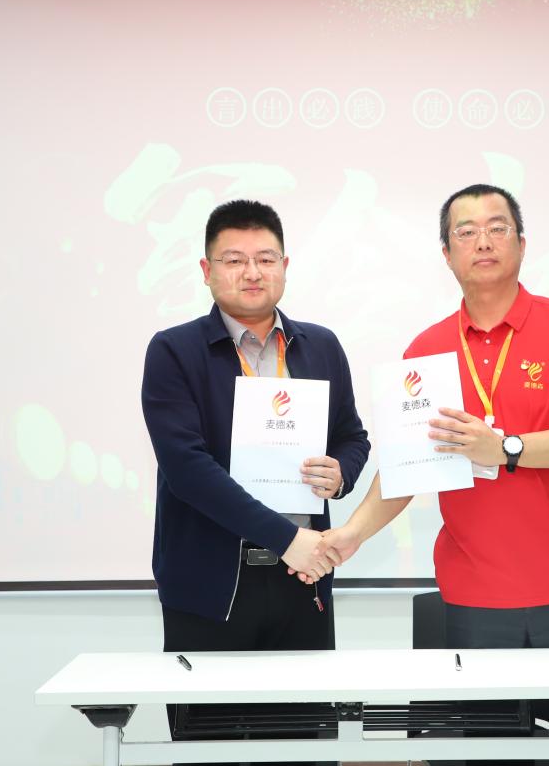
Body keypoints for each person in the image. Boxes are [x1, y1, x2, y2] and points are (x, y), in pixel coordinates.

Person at [315, 183, 549, 766]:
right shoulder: (427, 350)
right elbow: (406, 468)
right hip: (476, 597)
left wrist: (505, 447)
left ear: (522, 244)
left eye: (497, 227)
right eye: (466, 232)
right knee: (487, 755)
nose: (482, 241)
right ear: (447, 254)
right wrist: (350, 533)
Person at [141, 199, 370, 751]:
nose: (252, 272)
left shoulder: (320, 346)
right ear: (207, 270)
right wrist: (287, 537)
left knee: (303, 747)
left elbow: (353, 437)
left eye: (266, 259)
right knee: (210, 750)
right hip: (209, 588)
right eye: (234, 260)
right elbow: (187, 470)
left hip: (302, 584)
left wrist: (340, 472)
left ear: (285, 267)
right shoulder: (174, 351)